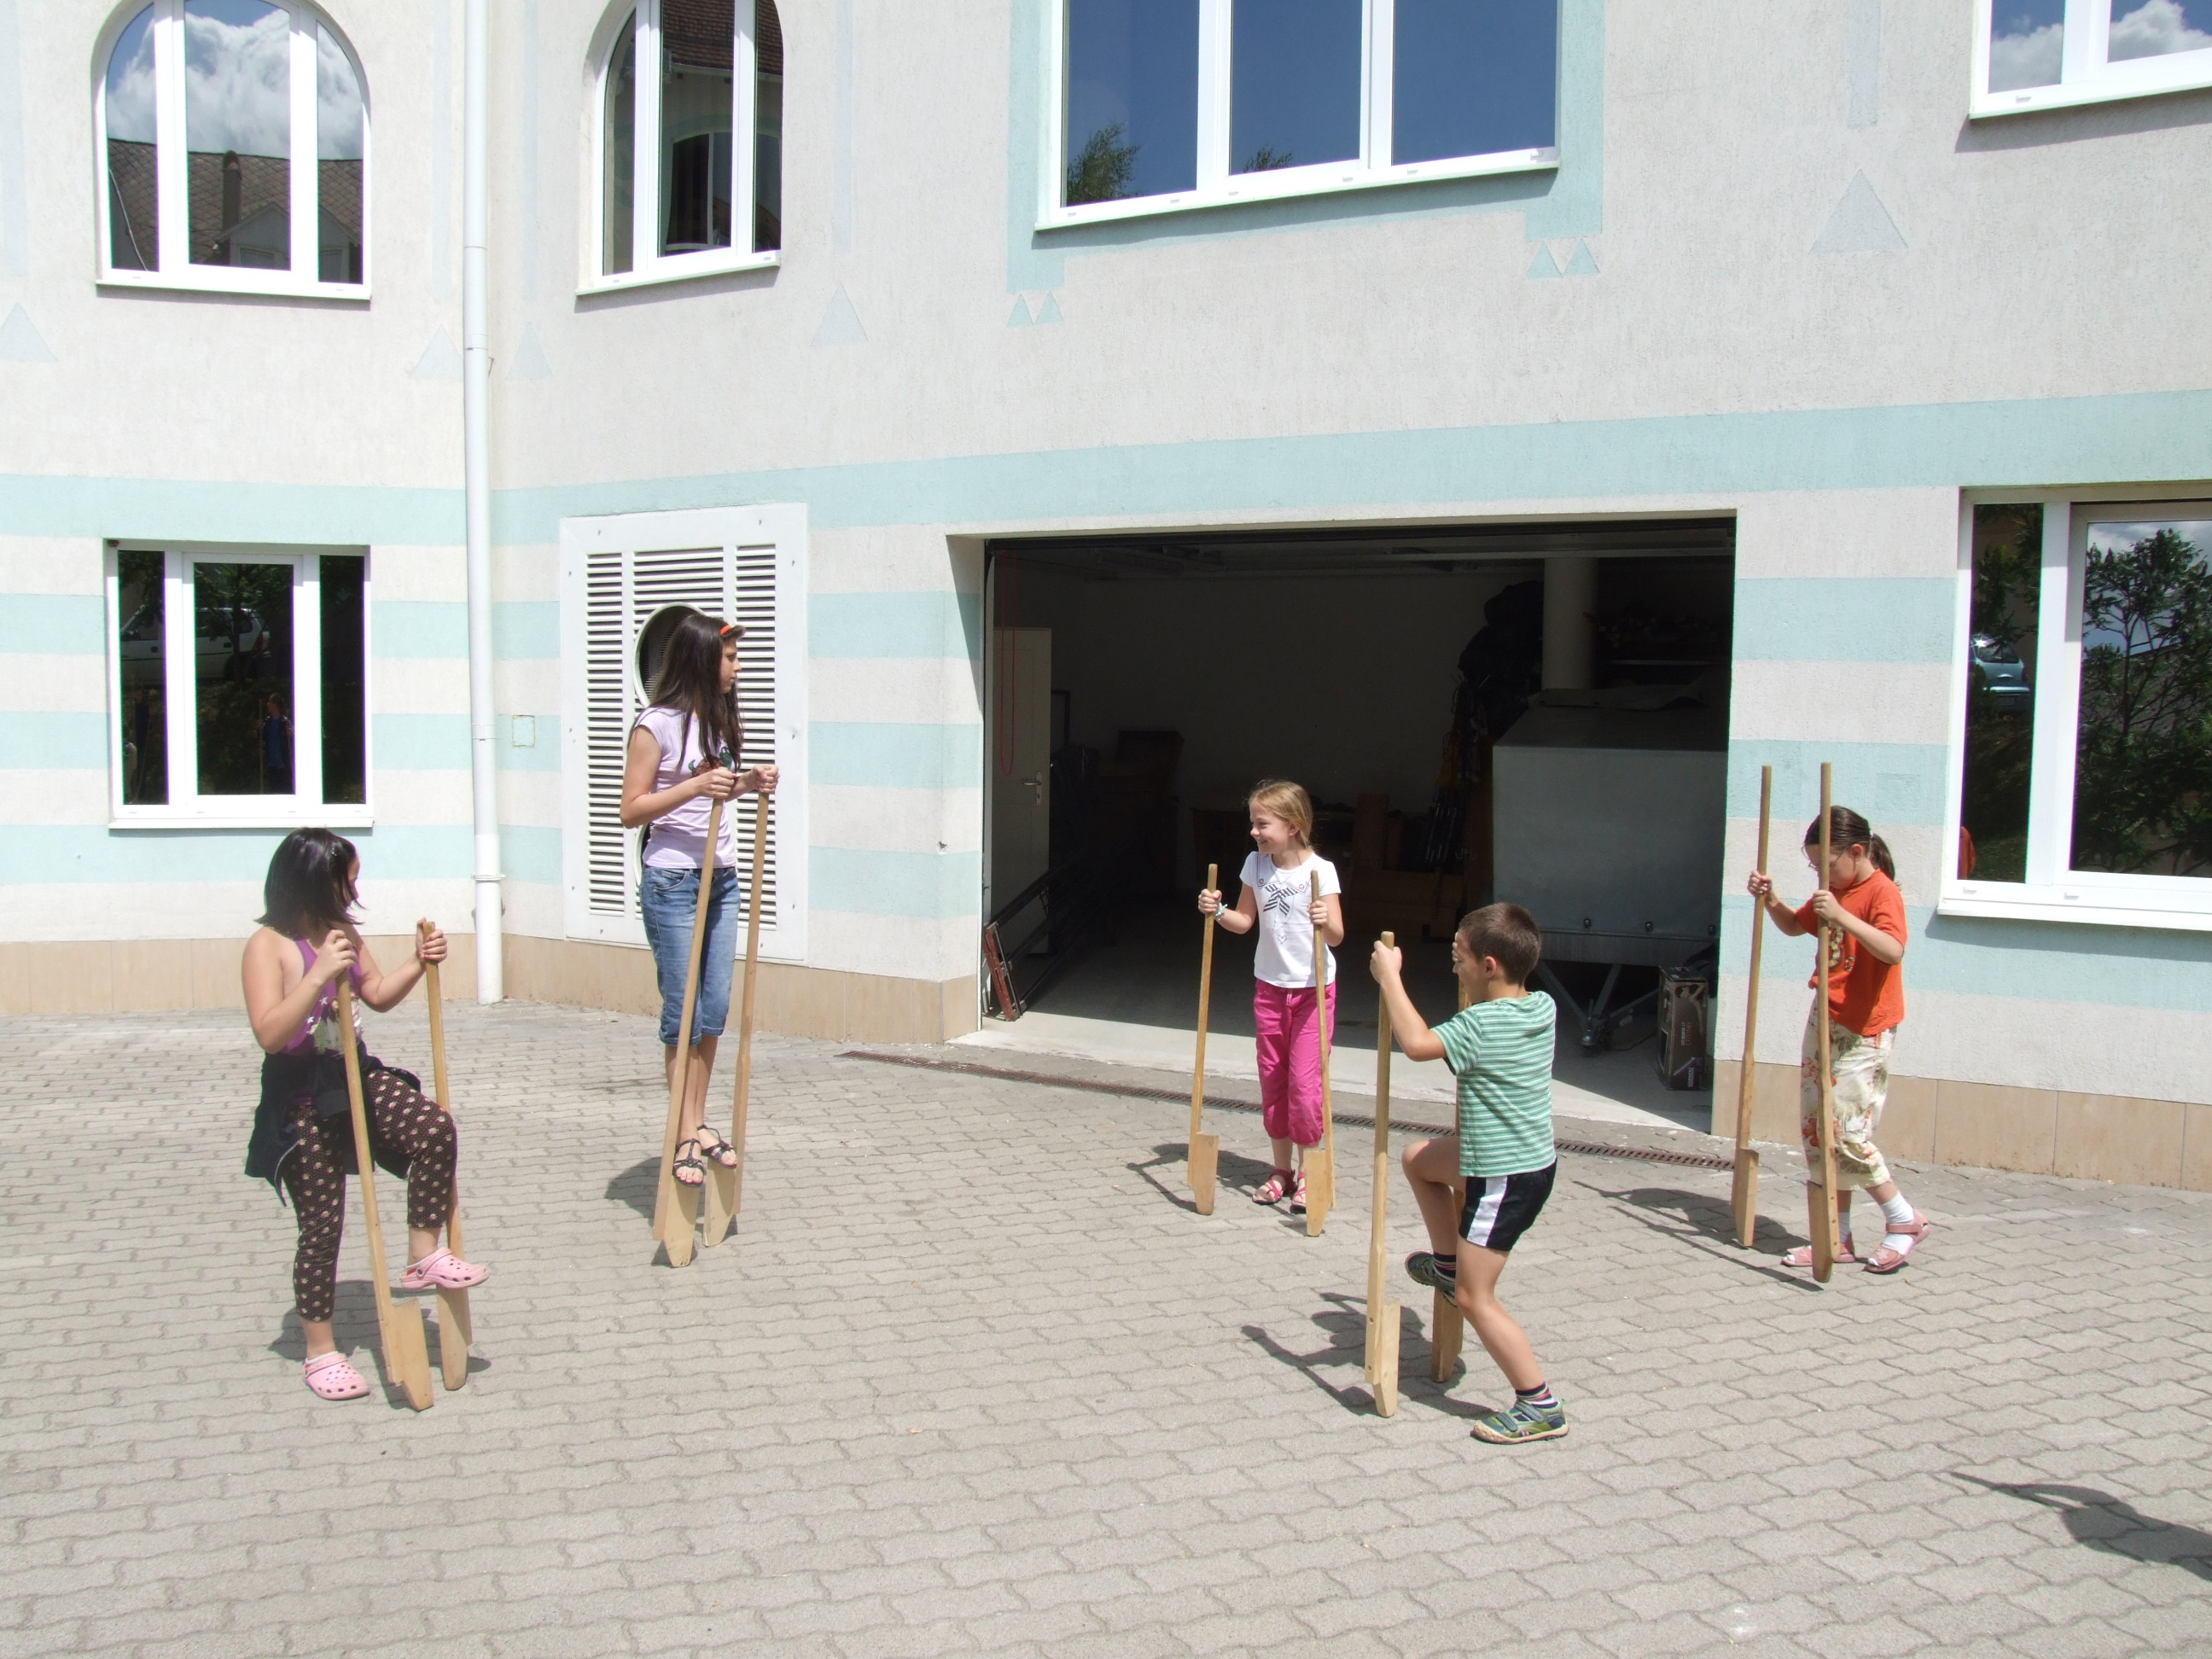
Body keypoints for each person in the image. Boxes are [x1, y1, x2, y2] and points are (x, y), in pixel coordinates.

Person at [242, 829, 486, 1401]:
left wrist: (418, 963)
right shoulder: (267, 945)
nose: (354, 891)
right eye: (346, 880)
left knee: (433, 1128)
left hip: (352, 1070)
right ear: (311, 881)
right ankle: (321, 1352)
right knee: (322, 1227)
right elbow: (270, 1034)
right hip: (301, 1093)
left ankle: (424, 1254)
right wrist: (318, 974)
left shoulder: (341, 931)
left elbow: (375, 993)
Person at [1372, 904, 1565, 1445]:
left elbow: (1416, 1045)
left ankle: (1539, 1405)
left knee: (1476, 1297)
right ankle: (1446, 1264)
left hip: (1506, 1176)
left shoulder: (1481, 1024)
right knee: (1418, 1159)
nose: (1453, 966)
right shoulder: (1542, 1006)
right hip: (1510, 1155)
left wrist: (1390, 978)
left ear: (1488, 965)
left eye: (1458, 957)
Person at [620, 611, 778, 1190]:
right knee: (683, 1011)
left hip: (723, 876)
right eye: (730, 658)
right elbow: (631, 809)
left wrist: (747, 783)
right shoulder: (655, 725)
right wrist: (693, 785)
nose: (738, 668)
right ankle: (684, 1131)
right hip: (673, 881)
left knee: (713, 1007)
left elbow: (717, 789)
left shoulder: (718, 721)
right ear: (703, 658)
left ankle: (699, 1120)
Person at [1747, 806, 1929, 1274]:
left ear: (1857, 852)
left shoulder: (1881, 892)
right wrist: (1770, 899)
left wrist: (1843, 917)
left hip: (1866, 1028)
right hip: (1826, 1017)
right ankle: (1836, 1236)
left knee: (1846, 1132)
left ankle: (1903, 1219)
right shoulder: (1834, 892)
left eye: (1826, 864)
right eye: (1814, 868)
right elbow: (1795, 925)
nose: (1821, 875)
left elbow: (1893, 949)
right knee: (1818, 1131)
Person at [1197, 779, 1343, 1214]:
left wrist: (1325, 919)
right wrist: (1218, 911)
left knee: (1305, 1086)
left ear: (1293, 826)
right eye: (1253, 823)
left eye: (1262, 824)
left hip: (1313, 990)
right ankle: (1282, 1171)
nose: (1254, 832)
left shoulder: (1321, 871)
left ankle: (1310, 1171)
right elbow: (1245, 922)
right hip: (1270, 988)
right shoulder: (1255, 864)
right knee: (1274, 1079)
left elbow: (1337, 936)